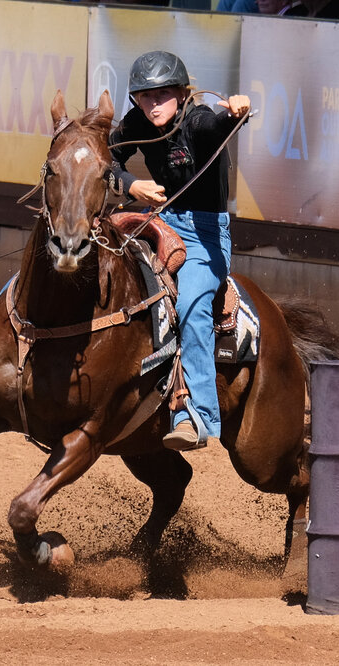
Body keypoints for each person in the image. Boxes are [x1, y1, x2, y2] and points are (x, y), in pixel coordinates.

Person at [108, 51, 250, 451]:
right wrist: (131, 185)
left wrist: (235, 113)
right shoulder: (137, 122)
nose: (153, 103)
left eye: (162, 94)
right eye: (145, 96)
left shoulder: (199, 120)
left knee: (189, 305)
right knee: (95, 250)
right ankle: (3, 330)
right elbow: (105, 157)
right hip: (160, 220)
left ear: (183, 93)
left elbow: (218, 126)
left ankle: (196, 416)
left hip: (205, 236)